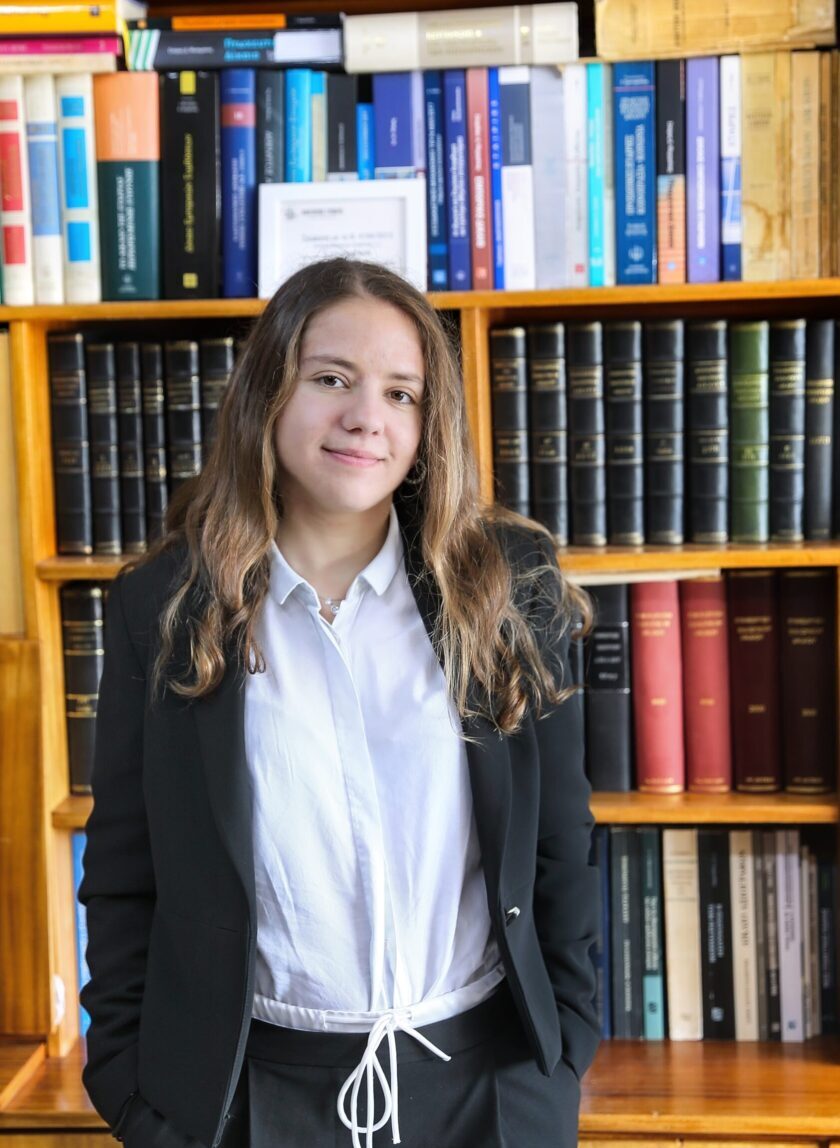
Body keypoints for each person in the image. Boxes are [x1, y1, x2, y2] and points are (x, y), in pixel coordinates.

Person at [79, 257, 600, 1148]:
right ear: (268, 394)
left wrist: (562, 1061)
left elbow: (561, 841)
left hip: (490, 1091)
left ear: (428, 423)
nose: (367, 417)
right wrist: (134, 1098)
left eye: (401, 393)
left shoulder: (507, 587)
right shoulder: (163, 607)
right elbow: (126, 877)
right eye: (331, 379)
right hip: (250, 1100)